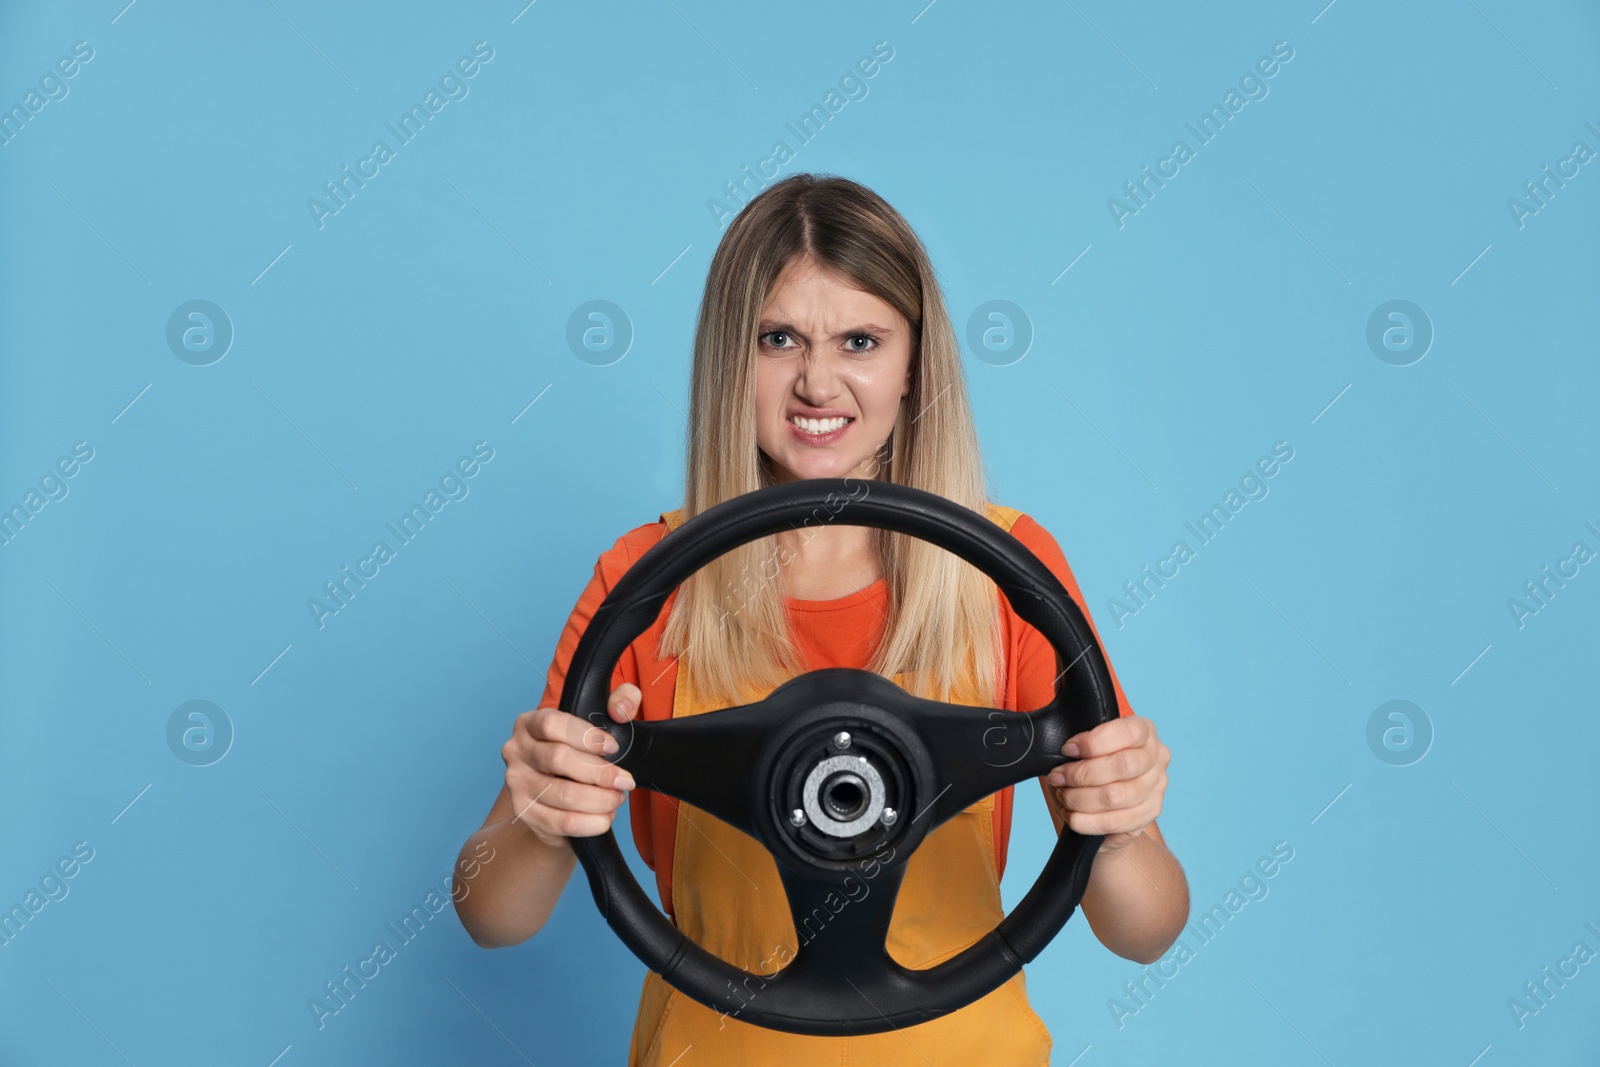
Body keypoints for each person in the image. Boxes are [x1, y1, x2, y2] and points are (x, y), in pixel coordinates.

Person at [454, 173, 1188, 1065]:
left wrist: (1120, 821)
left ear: (914, 361)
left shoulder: (1006, 572)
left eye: (861, 340)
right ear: (732, 356)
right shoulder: (643, 582)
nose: (818, 380)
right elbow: (491, 916)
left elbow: (1144, 929)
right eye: (778, 339)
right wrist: (540, 816)